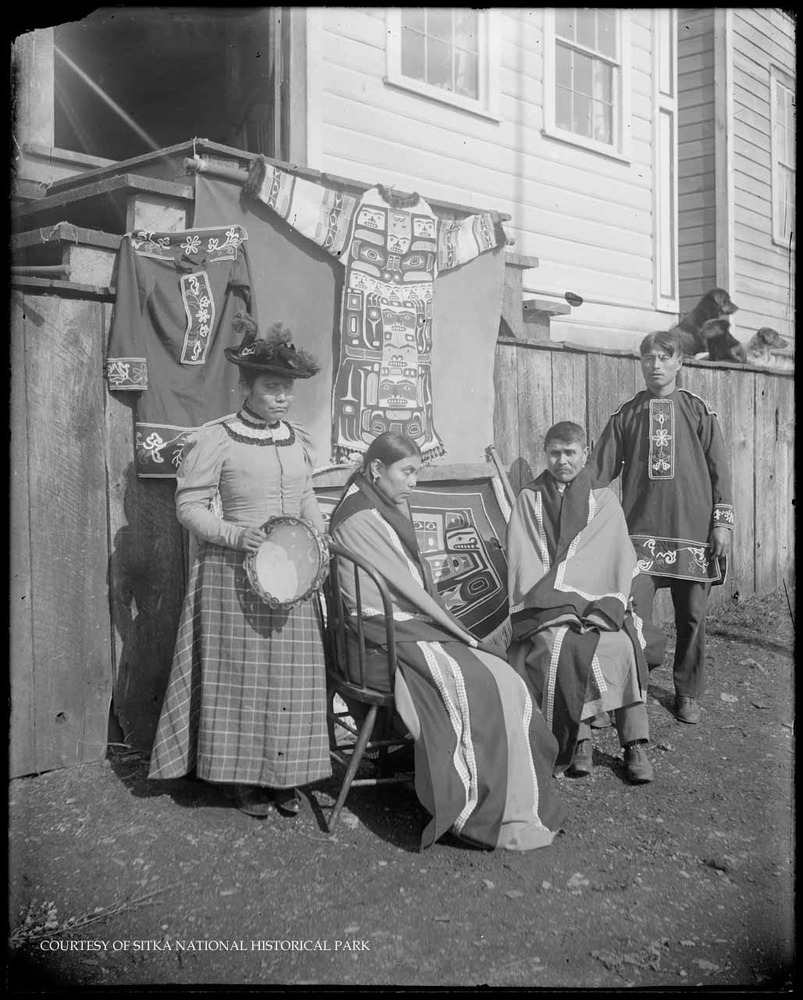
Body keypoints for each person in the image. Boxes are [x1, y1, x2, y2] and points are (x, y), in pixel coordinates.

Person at [328, 432, 567, 852]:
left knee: (504, 678)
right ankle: (477, 803)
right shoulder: (360, 516)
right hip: (375, 639)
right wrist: (456, 630)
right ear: (376, 470)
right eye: (407, 472)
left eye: (417, 472)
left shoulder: (379, 502)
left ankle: (515, 790)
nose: (414, 483)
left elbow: (411, 585)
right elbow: (411, 590)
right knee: (485, 682)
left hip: (397, 626)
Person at [148, 313, 331, 818]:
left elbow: (307, 495)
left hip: (291, 578)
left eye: (287, 389)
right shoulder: (218, 438)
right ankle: (240, 779)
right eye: (272, 387)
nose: (282, 398)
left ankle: (284, 774)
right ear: (247, 386)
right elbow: (189, 507)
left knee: (290, 679)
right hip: (232, 575)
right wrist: (234, 535)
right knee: (241, 676)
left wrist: (320, 539)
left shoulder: (295, 440)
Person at [588, 329, 734, 726]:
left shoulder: (699, 411)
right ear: (641, 363)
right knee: (633, 616)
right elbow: (597, 474)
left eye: (664, 358)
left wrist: (722, 524)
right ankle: (632, 690)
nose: (655, 365)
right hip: (640, 538)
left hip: (693, 534)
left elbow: (721, 472)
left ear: (679, 362)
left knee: (692, 618)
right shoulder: (626, 415)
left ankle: (687, 692)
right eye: (648, 358)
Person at [506, 422, 653, 785]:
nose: (562, 461)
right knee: (562, 645)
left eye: (570, 453)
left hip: (599, 602)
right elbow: (525, 561)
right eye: (554, 453)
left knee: (621, 644)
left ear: (584, 453)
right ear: (546, 453)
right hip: (544, 606)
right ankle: (581, 739)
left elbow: (611, 559)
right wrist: (560, 605)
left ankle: (634, 742)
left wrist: (588, 604)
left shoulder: (603, 500)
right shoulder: (529, 498)